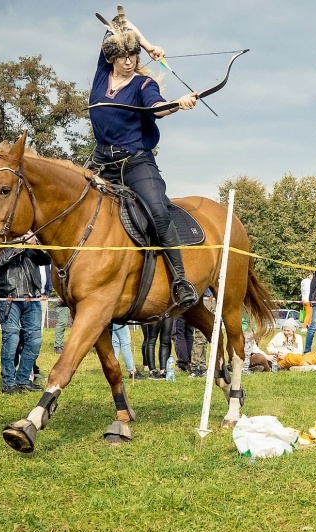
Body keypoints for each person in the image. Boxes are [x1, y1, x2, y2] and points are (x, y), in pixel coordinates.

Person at [87, 11, 198, 309]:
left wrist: (177, 104)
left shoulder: (142, 85)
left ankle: (180, 280)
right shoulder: (102, 72)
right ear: (111, 57)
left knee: (159, 214)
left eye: (133, 55)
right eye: (123, 55)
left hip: (136, 163)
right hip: (102, 162)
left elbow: (157, 108)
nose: (128, 61)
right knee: (63, 198)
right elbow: (117, 25)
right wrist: (148, 45)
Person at [0, 236, 51, 394]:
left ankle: (23, 380)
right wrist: (19, 246)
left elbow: (46, 259)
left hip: (32, 299)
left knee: (35, 341)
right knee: (11, 341)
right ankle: (8, 383)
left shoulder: (31, 248)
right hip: (9, 299)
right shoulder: (1, 242)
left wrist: (37, 244)